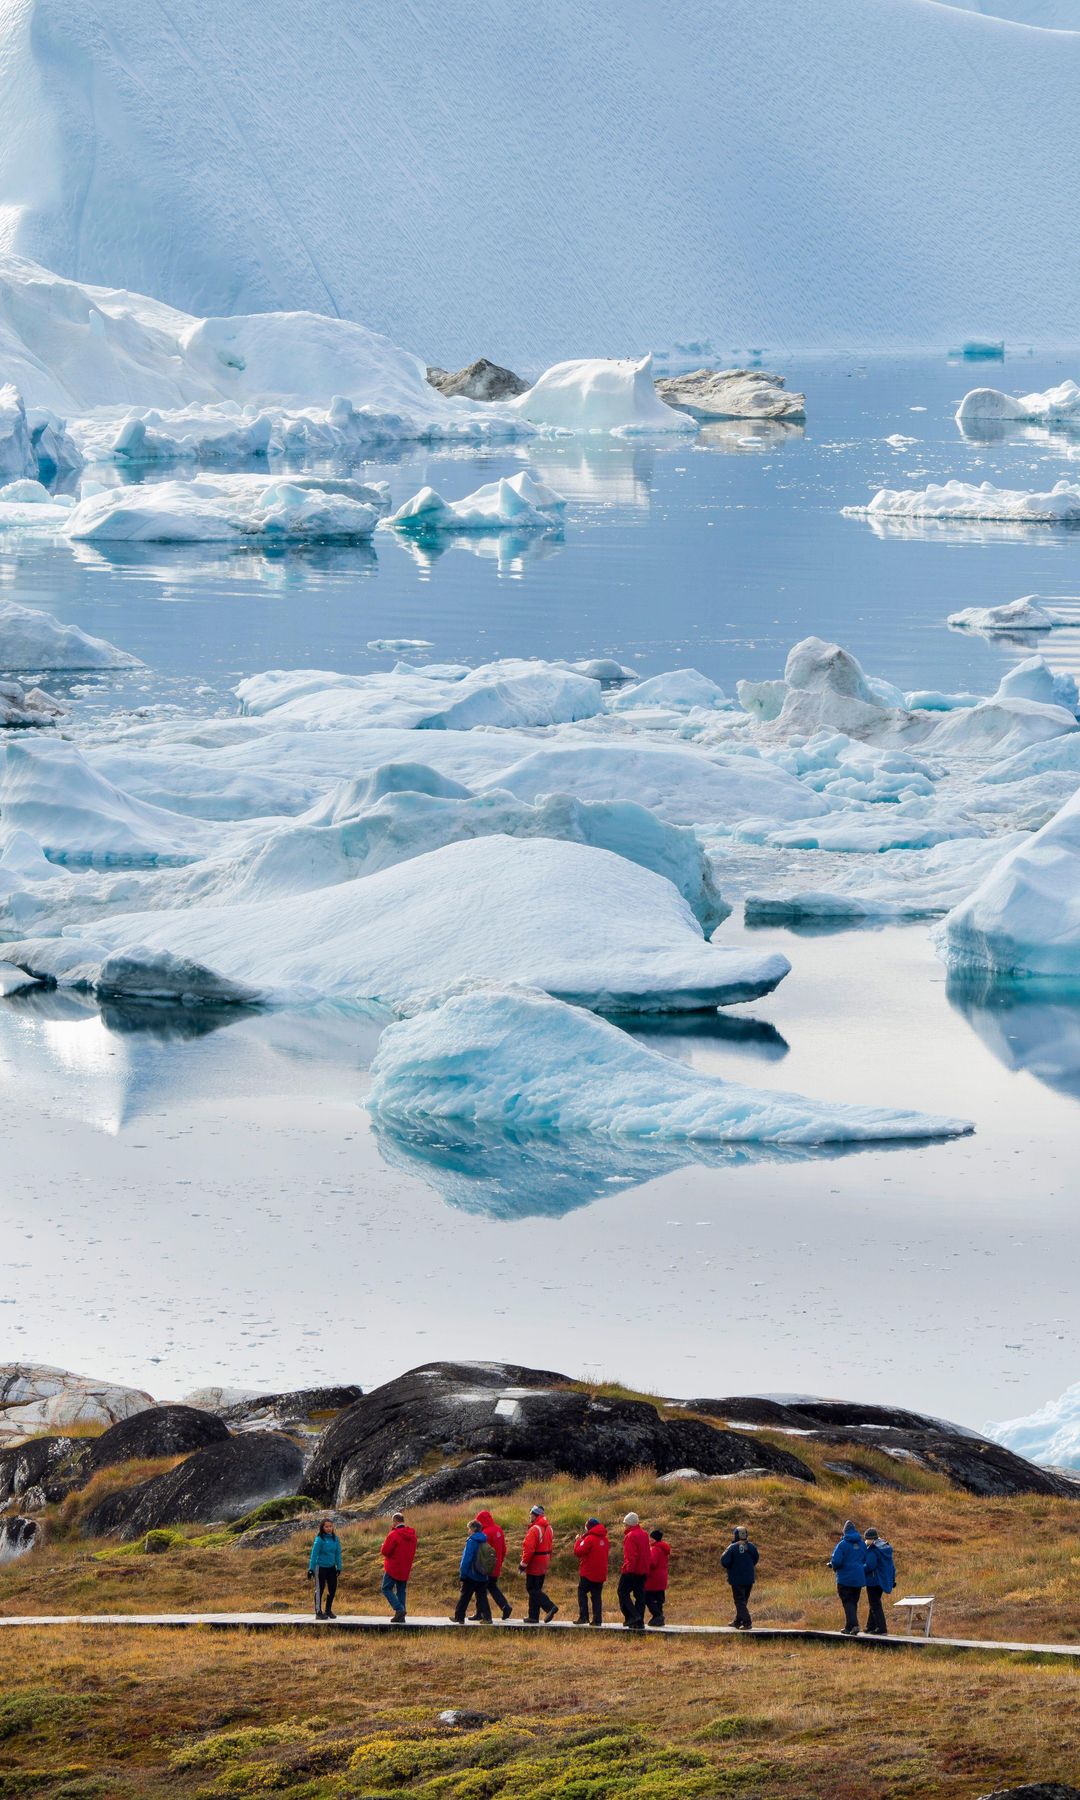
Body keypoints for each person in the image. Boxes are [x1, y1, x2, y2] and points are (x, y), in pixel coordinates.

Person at [520, 1504, 558, 1623]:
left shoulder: (534, 1529)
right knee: (537, 1589)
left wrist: (523, 1564)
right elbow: (550, 1546)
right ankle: (533, 1616)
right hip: (544, 1561)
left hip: (535, 1562)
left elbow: (529, 1549)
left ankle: (550, 1607)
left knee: (531, 1588)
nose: (529, 1516)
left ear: (535, 1515)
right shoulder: (549, 1528)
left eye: (530, 1513)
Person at [472, 1508, 512, 1620]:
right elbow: (504, 1548)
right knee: (492, 1587)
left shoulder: (485, 1533)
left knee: (480, 1590)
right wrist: (500, 1561)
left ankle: (481, 1614)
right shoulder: (498, 1529)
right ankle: (505, 1606)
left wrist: (477, 1566)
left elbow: (481, 1552)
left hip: (487, 1567)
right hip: (496, 1564)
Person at [829, 1519, 867, 1636]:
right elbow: (864, 1558)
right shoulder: (861, 1543)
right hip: (859, 1578)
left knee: (847, 1602)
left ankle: (854, 1625)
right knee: (853, 1602)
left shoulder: (842, 1544)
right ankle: (848, 1627)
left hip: (845, 1578)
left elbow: (836, 1561)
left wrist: (833, 1565)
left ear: (844, 1532)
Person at [452, 1519, 493, 1623]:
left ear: (473, 1529)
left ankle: (459, 1617)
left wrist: (463, 1573)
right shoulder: (484, 1540)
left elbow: (466, 1559)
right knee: (482, 1597)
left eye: (469, 1528)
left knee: (465, 1596)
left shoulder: (472, 1541)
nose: (468, 1531)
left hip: (471, 1574)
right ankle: (487, 1618)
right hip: (483, 1575)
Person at [380, 1510, 416, 1622]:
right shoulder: (413, 1535)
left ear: (395, 1522)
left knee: (386, 1588)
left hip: (393, 1566)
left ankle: (399, 1609)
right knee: (401, 1590)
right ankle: (401, 1617)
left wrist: (383, 1545)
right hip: (405, 1567)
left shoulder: (393, 1534)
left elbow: (385, 1551)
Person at [720, 1525, 759, 1630]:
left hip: (737, 1579)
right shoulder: (752, 1546)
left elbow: (724, 1561)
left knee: (739, 1601)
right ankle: (738, 1621)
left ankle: (747, 1622)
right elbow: (756, 1559)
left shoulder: (732, 1547)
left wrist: (732, 1567)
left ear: (736, 1535)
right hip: (749, 1579)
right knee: (743, 1601)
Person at [618, 1511, 652, 1630]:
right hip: (643, 1570)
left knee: (622, 1592)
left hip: (632, 1570)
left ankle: (633, 1616)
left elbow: (631, 1556)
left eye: (625, 1524)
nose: (624, 1526)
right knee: (639, 1596)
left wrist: (628, 1570)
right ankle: (639, 1622)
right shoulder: (644, 1534)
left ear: (629, 1524)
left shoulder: (630, 1536)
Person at [573, 1517, 609, 1626]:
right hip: (601, 1573)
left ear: (589, 1528)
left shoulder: (589, 1539)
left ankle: (584, 1617)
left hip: (588, 1572)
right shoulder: (605, 1539)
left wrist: (578, 1541)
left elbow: (578, 1552)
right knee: (596, 1596)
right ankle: (597, 1620)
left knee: (582, 1592)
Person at [863, 1527, 896, 1635]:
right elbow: (891, 1566)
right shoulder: (885, 1547)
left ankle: (882, 1628)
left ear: (870, 1539)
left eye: (866, 1539)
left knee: (875, 1604)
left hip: (873, 1580)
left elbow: (870, 1566)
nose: (865, 1542)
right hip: (882, 1580)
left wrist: (859, 1568)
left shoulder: (873, 1549)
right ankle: (870, 1626)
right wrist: (892, 1579)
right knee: (874, 1603)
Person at [308, 1518, 342, 1620]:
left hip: (331, 1567)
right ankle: (318, 1612)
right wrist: (311, 1569)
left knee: (332, 1589)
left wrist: (339, 1567)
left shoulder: (335, 1539)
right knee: (320, 1589)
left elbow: (337, 1554)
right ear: (322, 1528)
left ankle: (328, 1610)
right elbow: (314, 1555)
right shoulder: (319, 1539)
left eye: (330, 1526)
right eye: (326, 1526)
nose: (328, 1528)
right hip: (320, 1568)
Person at [644, 1526, 670, 1627]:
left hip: (653, 1578)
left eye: (650, 1538)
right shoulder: (663, 1548)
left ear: (654, 1539)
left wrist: (645, 1562)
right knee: (658, 1599)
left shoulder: (655, 1548)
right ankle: (658, 1618)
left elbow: (652, 1563)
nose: (649, 1539)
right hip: (662, 1577)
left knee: (647, 1597)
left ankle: (658, 1615)